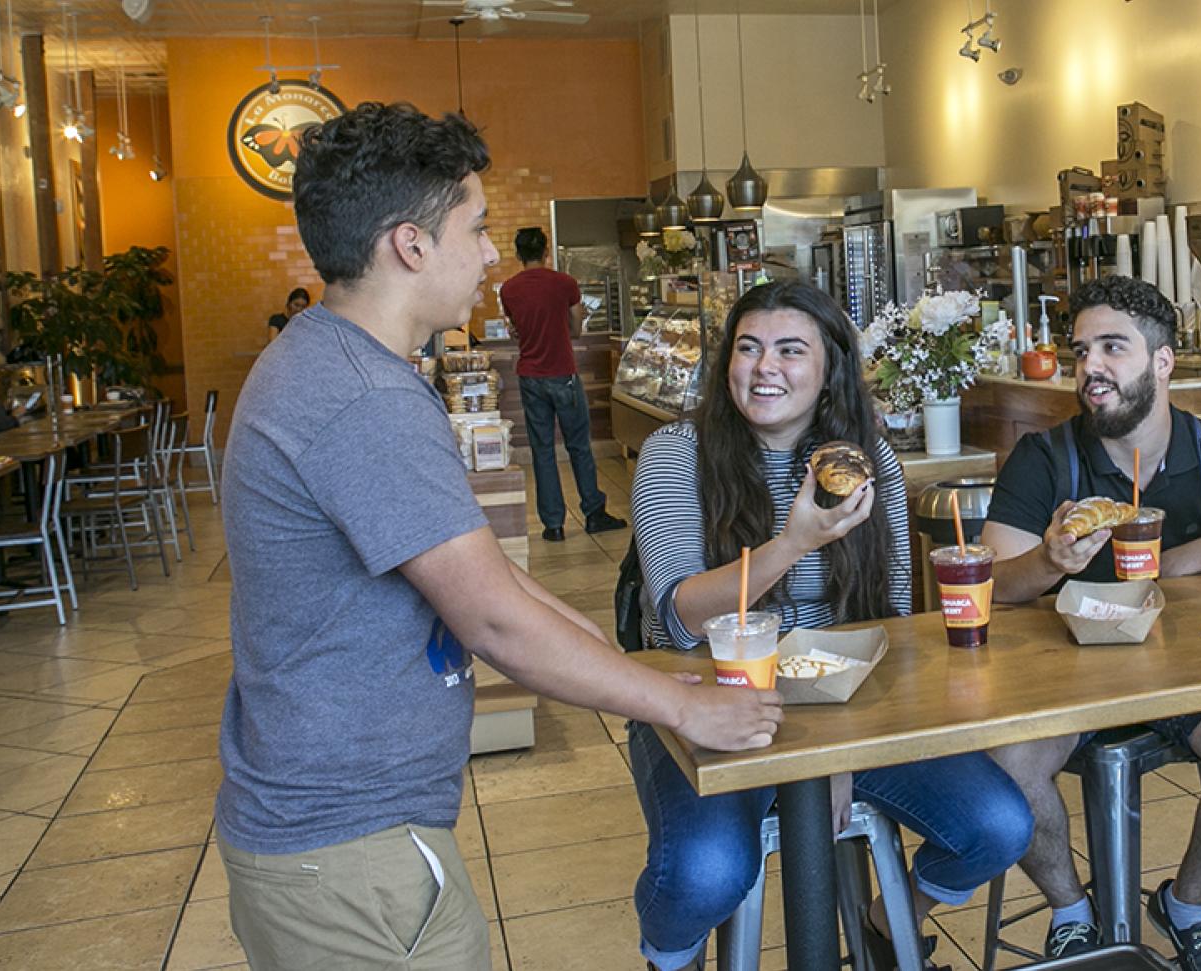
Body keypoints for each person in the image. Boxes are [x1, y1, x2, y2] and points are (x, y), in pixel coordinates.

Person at [216, 102, 783, 971]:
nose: (490, 253)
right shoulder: (364, 398)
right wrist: (677, 704)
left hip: (337, 839)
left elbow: (489, 574)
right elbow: (493, 623)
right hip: (348, 852)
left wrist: (624, 656)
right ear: (409, 245)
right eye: (476, 228)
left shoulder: (333, 361)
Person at [630, 281, 1034, 971]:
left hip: (851, 707)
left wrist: (837, 751)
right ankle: (672, 958)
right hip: (705, 703)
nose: (765, 367)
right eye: (749, 347)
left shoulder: (868, 462)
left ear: (828, 370)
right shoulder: (676, 452)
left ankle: (883, 920)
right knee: (704, 874)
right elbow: (679, 614)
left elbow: (893, 615)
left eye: (790, 350)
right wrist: (792, 542)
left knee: (997, 825)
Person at [979, 275, 1201, 971]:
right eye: (1083, 352)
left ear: (1164, 361)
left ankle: (1188, 903)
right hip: (1063, 682)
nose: (1091, 370)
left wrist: (1190, 554)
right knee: (1001, 769)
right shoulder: (1044, 459)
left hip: (1188, 682)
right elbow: (991, 582)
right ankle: (1071, 911)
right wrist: (1050, 560)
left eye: (1114, 347)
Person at [499, 226, 625, 542]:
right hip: (562, 375)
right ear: (546, 252)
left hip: (530, 376)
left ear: (518, 254)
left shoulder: (509, 289)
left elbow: (517, 329)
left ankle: (553, 525)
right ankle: (594, 513)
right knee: (578, 446)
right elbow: (577, 329)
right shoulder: (564, 284)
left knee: (542, 451)